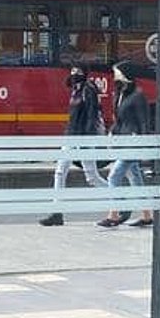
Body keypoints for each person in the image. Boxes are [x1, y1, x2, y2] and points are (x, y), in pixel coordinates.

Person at [38, 67, 108, 225]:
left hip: (83, 138)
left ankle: (120, 199)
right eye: (72, 72)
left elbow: (92, 115)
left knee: (92, 178)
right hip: (71, 136)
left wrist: (87, 139)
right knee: (60, 172)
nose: (74, 75)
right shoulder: (76, 89)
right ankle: (57, 213)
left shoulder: (88, 89)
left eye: (78, 72)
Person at [99, 60, 156, 228]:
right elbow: (120, 120)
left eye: (117, 72)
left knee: (113, 176)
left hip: (132, 144)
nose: (114, 75)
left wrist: (143, 145)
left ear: (125, 74)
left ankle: (114, 214)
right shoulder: (120, 94)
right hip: (122, 142)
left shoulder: (138, 96)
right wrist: (111, 134)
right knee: (136, 178)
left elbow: (144, 122)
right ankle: (147, 215)